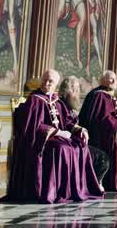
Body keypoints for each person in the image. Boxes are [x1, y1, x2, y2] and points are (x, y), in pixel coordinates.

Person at [7, 69, 104, 203]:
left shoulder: (57, 101)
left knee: (80, 146)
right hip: (40, 140)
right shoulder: (34, 100)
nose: (46, 83)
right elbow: (33, 126)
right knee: (62, 149)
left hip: (59, 138)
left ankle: (74, 190)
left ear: (56, 84)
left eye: (50, 81)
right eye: (44, 80)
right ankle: (56, 191)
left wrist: (80, 129)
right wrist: (57, 132)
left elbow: (68, 121)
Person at [57, 75, 109, 183]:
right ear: (67, 90)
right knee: (102, 159)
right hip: (66, 143)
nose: (77, 93)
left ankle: (88, 185)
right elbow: (66, 124)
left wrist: (81, 130)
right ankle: (90, 185)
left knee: (102, 157)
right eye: (75, 90)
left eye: (77, 90)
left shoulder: (69, 105)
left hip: (74, 142)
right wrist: (78, 129)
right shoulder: (60, 104)